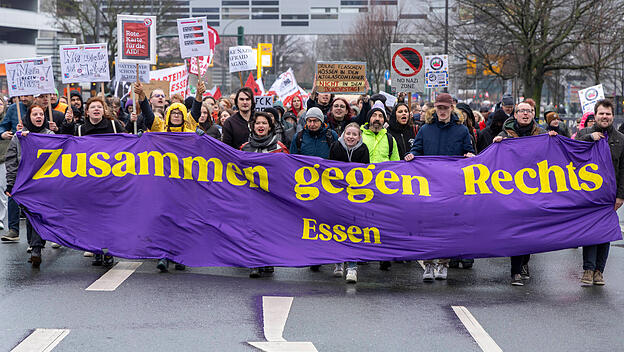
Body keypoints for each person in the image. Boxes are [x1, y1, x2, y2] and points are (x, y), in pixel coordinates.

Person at [405, 93, 475, 281]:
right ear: (435, 108)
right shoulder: (425, 129)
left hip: (451, 188)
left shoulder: (461, 131)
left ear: (452, 108)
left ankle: (443, 264)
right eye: (439, 108)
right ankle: (428, 265)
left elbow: (470, 151)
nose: (442, 111)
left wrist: (469, 156)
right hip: (428, 188)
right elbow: (416, 150)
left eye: (445, 108)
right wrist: (411, 155)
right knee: (427, 227)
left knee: (447, 227)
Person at [493, 101, 556, 286]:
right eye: (522, 111)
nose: (525, 114)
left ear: (534, 114)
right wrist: (497, 144)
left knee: (530, 230)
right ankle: (515, 271)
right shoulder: (505, 134)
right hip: (512, 190)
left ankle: (524, 262)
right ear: (515, 114)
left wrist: (554, 140)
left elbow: (552, 158)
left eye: (529, 111)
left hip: (535, 190)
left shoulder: (543, 134)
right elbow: (494, 159)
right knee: (516, 230)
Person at [574, 99, 624, 287]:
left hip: (610, 195)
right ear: (595, 115)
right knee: (590, 231)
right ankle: (588, 268)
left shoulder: (620, 139)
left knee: (605, 233)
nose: (605, 117)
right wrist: (589, 138)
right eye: (601, 113)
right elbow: (572, 151)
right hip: (588, 193)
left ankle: (598, 271)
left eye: (608, 114)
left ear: (612, 116)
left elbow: (623, 170)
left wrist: (621, 195)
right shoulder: (584, 133)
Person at [5, 104, 56, 267]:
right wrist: (11, 183)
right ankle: (34, 245)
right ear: (29, 117)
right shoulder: (19, 137)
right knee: (30, 214)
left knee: (39, 213)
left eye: (41, 114)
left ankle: (36, 247)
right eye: (35, 114)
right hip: (26, 182)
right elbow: (11, 161)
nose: (39, 117)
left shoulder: (50, 135)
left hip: (45, 182)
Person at [329, 122, 370, 283]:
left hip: (355, 196)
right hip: (337, 195)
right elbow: (329, 169)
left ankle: (352, 267)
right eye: (348, 134)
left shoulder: (363, 149)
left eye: (354, 134)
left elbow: (366, 172)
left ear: (359, 137)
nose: (351, 137)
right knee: (337, 229)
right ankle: (338, 262)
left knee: (353, 231)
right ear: (343, 135)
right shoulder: (335, 147)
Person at [0, 96, 33, 243]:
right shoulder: (14, 108)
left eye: (27, 95)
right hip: (18, 156)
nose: (24, 98)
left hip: (35, 161)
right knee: (11, 190)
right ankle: (13, 229)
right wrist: (3, 133)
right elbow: (4, 125)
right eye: (22, 95)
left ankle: (36, 238)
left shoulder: (39, 108)